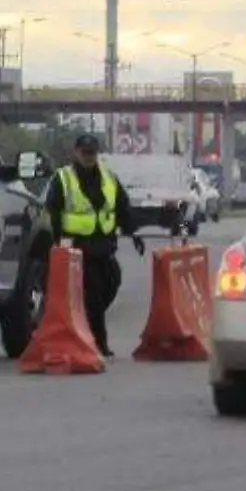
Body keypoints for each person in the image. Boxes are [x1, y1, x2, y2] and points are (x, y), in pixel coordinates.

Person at [45, 133, 146, 357]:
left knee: (112, 281)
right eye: (85, 153)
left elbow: (122, 208)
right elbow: (52, 210)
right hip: (78, 248)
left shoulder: (108, 178)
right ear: (76, 153)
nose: (89, 157)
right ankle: (99, 343)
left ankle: (87, 323)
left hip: (103, 247)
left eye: (92, 153)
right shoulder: (63, 179)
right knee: (95, 293)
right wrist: (57, 240)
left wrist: (134, 233)